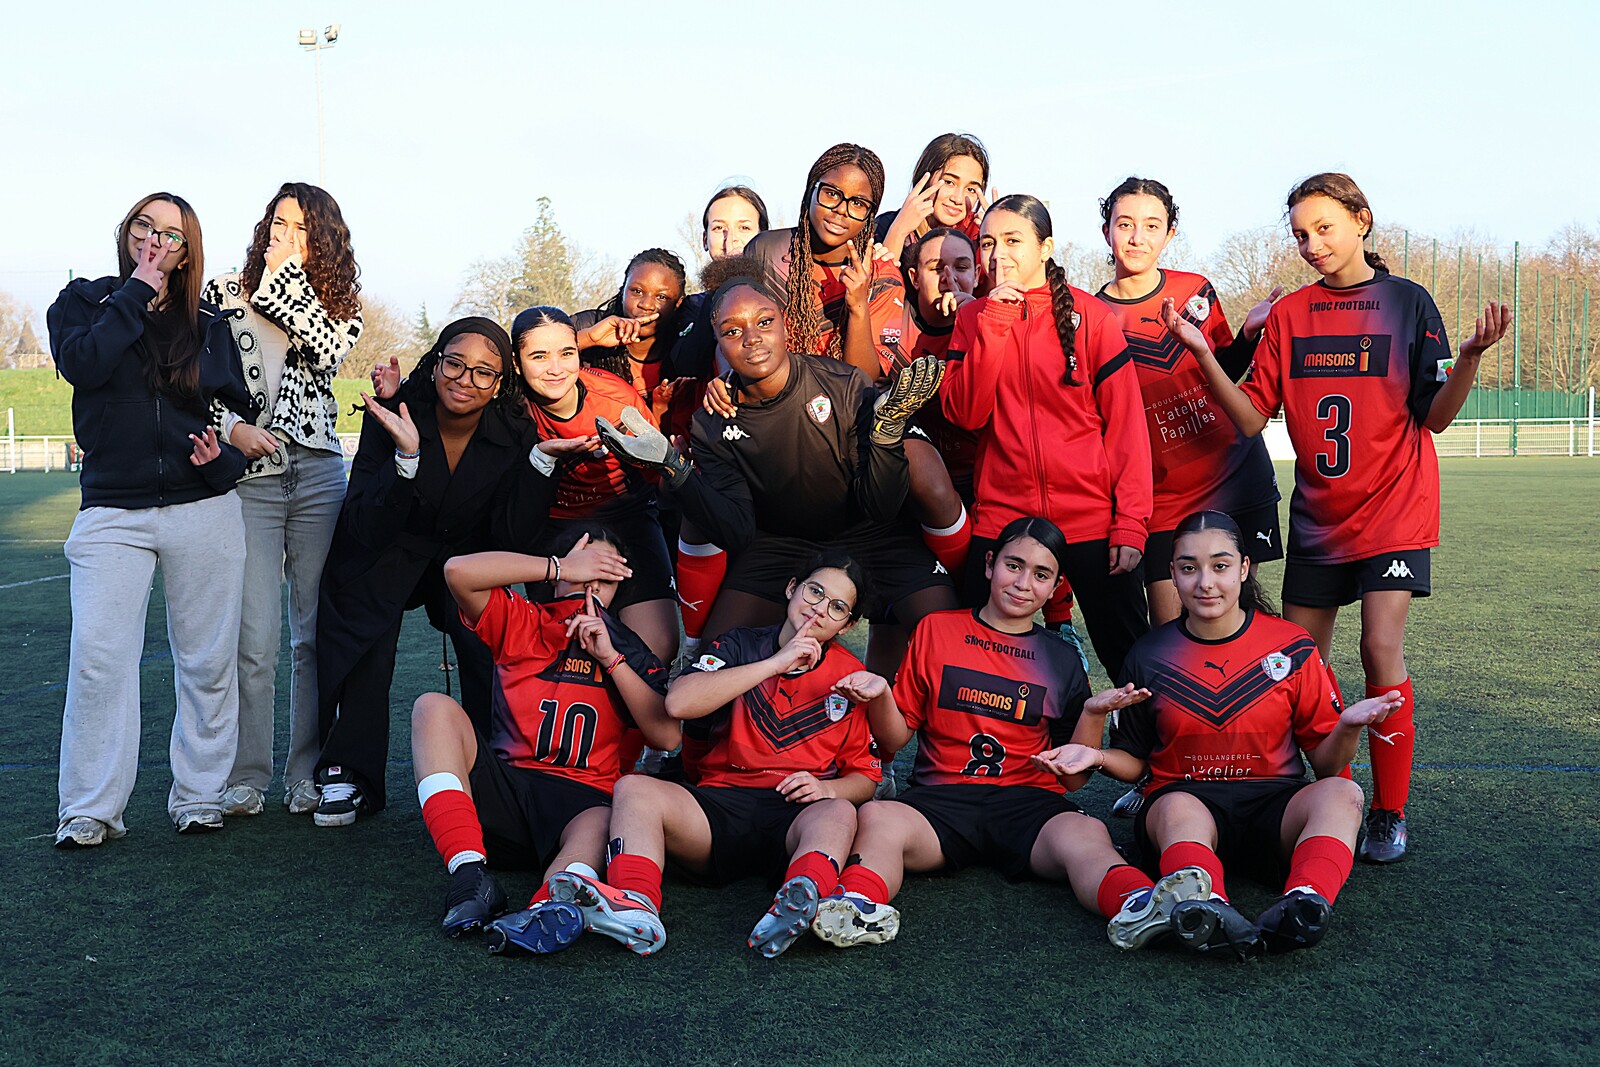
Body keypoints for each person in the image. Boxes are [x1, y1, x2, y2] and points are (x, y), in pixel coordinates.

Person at [1170, 172, 1511, 864]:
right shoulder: (1292, 314)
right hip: (1319, 520)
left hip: (1394, 509)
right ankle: (1335, 794)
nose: (1312, 244)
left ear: (1362, 220)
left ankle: (1388, 812)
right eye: (1301, 234)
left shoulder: (1407, 302)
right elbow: (1249, 417)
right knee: (1300, 663)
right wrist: (1204, 354)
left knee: (1379, 648)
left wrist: (1470, 360)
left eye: (1324, 227)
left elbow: (1436, 418)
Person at [1042, 511, 1405, 958]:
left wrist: (1347, 726)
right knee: (1176, 805)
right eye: (1189, 568)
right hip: (1185, 808)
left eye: (1220, 566)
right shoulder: (1148, 654)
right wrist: (1098, 757)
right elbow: (1135, 761)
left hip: (1274, 809)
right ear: (1172, 574)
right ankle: (1206, 904)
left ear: (1244, 568)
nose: (1205, 583)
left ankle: (1306, 902)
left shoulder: (1291, 646)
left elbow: (1327, 766)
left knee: (1343, 793)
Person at [496, 553, 883, 957]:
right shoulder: (738, 644)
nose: (819, 608)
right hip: (718, 809)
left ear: (848, 625)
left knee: (839, 811)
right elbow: (679, 703)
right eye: (814, 591)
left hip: (795, 817)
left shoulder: (850, 676)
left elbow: (866, 777)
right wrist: (775, 664)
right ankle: (637, 905)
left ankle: (802, 898)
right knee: (635, 788)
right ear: (792, 588)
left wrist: (828, 788)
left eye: (837, 607)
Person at [807, 517, 1164, 949]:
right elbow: (894, 741)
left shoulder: (1061, 658)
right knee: (878, 819)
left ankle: (1141, 904)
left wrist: (1091, 714)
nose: (1023, 583)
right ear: (990, 563)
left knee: (1086, 834)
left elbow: (1072, 781)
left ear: (1055, 587)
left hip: (1028, 805)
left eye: (1041, 575)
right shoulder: (937, 629)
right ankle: (855, 904)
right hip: (940, 801)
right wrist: (882, 694)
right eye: (1014, 565)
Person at [596, 275, 956, 680]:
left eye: (764, 322)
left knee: (947, 645)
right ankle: (696, 679)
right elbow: (737, 529)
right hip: (781, 544)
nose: (752, 338)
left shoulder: (844, 384)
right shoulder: (711, 423)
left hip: (873, 533)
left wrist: (886, 439)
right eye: (733, 331)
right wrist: (674, 468)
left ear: (785, 323)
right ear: (718, 342)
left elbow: (881, 506)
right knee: (708, 672)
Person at [48, 191, 256, 845]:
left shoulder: (210, 324)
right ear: (127, 231)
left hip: (204, 508)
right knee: (98, 660)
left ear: (187, 252)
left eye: (170, 234)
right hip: (113, 510)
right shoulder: (83, 302)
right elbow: (83, 364)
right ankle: (89, 808)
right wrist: (136, 291)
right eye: (145, 225)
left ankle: (199, 795)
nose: (155, 239)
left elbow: (237, 418)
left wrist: (222, 461)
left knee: (208, 661)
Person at [311, 317, 539, 828]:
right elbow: (365, 519)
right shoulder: (393, 411)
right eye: (454, 364)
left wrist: (541, 470)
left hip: (462, 554)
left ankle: (492, 767)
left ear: (500, 383)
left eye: (484, 372)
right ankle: (349, 771)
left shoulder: (515, 431)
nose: (465, 380)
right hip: (386, 546)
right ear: (435, 364)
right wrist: (407, 458)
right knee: (368, 634)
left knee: (484, 635)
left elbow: (510, 531)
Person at [407, 527, 677, 941]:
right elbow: (457, 571)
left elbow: (667, 737)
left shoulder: (631, 650)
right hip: (507, 792)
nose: (590, 583)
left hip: (583, 805)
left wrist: (611, 658)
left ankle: (547, 908)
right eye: (584, 568)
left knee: (605, 817)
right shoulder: (525, 620)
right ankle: (469, 873)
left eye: (604, 576)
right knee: (432, 708)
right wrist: (559, 566)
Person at [941, 194, 1153, 684]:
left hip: (1092, 522)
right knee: (974, 661)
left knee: (1132, 664)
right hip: (1003, 518)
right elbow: (966, 414)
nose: (998, 254)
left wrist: (1130, 523)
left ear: (1046, 247)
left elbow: (1126, 428)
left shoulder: (1092, 316)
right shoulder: (972, 320)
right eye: (988, 243)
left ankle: (1138, 739)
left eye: (1013, 240)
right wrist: (994, 322)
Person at [204, 182, 364, 819]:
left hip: (319, 472)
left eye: (301, 228)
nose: (286, 236)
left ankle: (306, 772)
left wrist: (282, 280)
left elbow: (327, 350)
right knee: (254, 637)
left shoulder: (339, 305)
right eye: (279, 224)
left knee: (312, 635)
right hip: (252, 478)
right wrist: (229, 428)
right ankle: (248, 774)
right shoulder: (222, 293)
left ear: (323, 239)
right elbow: (193, 382)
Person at [1093, 176, 1282, 627]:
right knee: (1170, 641)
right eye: (1125, 224)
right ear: (1107, 231)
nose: (1137, 237)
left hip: (1235, 476)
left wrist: (1247, 336)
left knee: (1233, 625)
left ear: (1169, 233)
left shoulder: (1195, 290)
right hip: (1162, 497)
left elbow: (1223, 374)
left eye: (1152, 226)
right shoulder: (1094, 316)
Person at [513, 305, 679, 665]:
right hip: (554, 525)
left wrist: (672, 464)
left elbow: (657, 477)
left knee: (656, 650)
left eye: (566, 353)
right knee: (569, 653)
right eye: (539, 357)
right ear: (516, 364)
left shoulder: (615, 397)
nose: (556, 368)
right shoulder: (510, 406)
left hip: (627, 515)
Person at [874, 132, 991, 254]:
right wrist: (899, 231)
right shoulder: (885, 226)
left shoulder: (978, 235)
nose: (958, 199)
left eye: (971, 190)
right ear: (925, 178)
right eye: (949, 182)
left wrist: (993, 240)